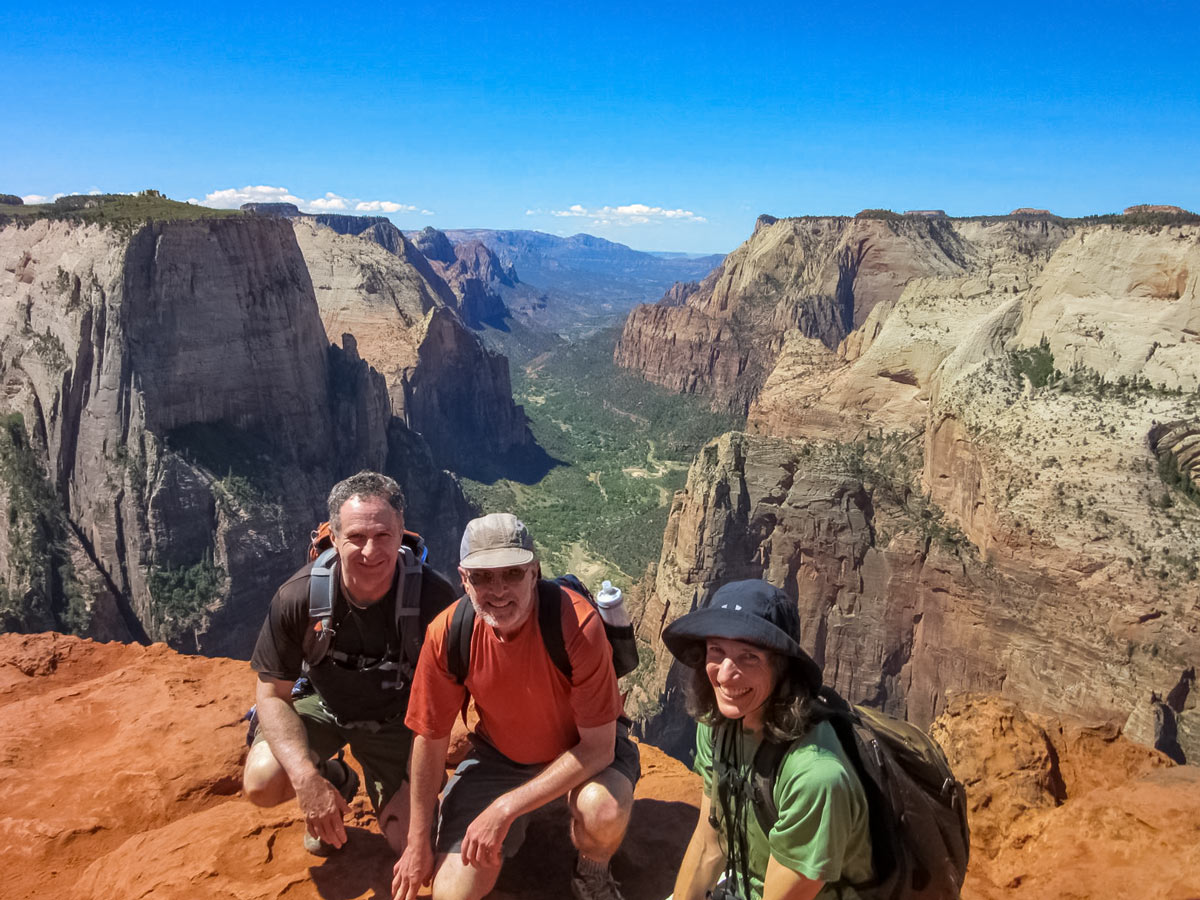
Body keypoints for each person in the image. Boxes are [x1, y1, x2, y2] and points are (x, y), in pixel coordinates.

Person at [392, 513, 639, 900]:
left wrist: (505, 808)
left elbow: (598, 749)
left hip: (582, 752)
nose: (498, 590)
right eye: (483, 577)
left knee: (601, 811)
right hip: (501, 759)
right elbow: (430, 737)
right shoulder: (447, 634)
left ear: (535, 571)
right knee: (450, 895)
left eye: (512, 573)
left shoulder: (576, 623)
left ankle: (592, 871)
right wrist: (417, 841)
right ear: (463, 578)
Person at [242, 471, 457, 857]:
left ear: (401, 531)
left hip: (399, 722)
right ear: (335, 537)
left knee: (409, 839)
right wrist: (306, 777)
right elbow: (272, 696)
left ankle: (383, 787)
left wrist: (416, 785)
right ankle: (335, 778)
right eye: (356, 537)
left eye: (382, 536)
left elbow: (447, 702)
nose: (370, 551)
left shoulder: (433, 597)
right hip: (324, 706)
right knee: (262, 781)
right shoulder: (298, 597)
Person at [662, 579, 873, 900]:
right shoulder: (718, 725)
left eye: (749, 656)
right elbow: (710, 844)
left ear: (782, 668)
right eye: (716, 650)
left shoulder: (815, 777)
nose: (725, 675)